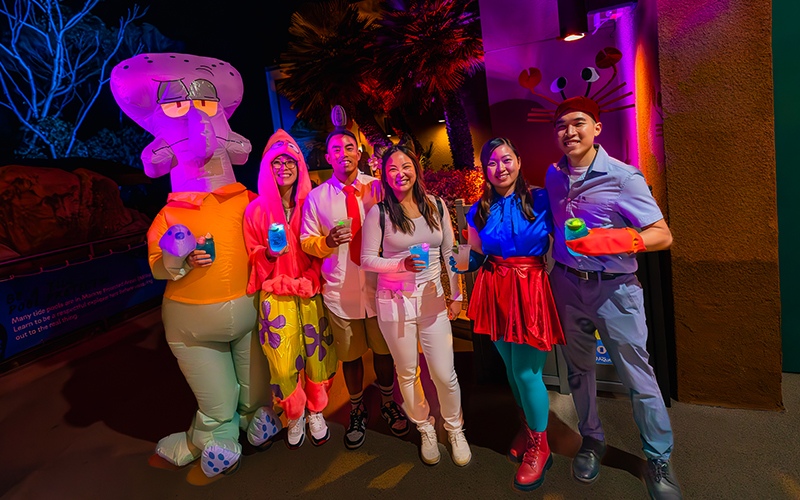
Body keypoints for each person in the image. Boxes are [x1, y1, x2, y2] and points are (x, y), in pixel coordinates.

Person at [544, 96, 681, 499]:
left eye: (579, 122)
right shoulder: (554, 176)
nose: (569, 131)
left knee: (639, 378)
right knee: (578, 371)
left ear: (597, 128)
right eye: (562, 125)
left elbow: (662, 234)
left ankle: (658, 457)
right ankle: (592, 439)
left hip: (615, 290)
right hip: (569, 286)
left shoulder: (624, 177)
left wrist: (610, 240)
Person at [452, 137, 565, 490]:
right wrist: (450, 257)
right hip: (495, 288)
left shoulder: (542, 199)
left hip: (529, 289)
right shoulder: (478, 209)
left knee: (526, 372)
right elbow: (473, 255)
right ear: (484, 170)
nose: (499, 168)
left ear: (518, 159)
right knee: (512, 372)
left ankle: (540, 446)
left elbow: (565, 237)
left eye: (506, 160)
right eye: (491, 163)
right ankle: (527, 426)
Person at [361, 145, 471, 467]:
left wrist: (457, 294)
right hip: (394, 303)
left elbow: (450, 252)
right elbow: (366, 259)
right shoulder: (378, 213)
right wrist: (400, 266)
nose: (400, 173)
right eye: (392, 168)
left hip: (433, 298)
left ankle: (454, 428)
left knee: (444, 373)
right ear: (385, 174)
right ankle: (424, 426)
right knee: (407, 372)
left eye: (405, 166)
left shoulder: (436, 205)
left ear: (416, 169)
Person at [300, 128, 409, 449]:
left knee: (383, 351)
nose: (344, 153)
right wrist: (326, 242)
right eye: (337, 149)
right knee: (349, 357)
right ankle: (357, 409)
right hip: (340, 291)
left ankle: (389, 402)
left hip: (380, 288)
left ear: (359, 153)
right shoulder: (317, 198)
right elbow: (307, 241)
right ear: (328, 156)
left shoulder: (378, 187)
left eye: (349, 147)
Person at [243, 129, 337, 449]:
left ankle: (315, 410)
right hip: (275, 294)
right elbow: (252, 254)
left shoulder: (311, 204)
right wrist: (270, 253)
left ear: (300, 166)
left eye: (290, 161)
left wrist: (313, 274)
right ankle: (294, 413)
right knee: (282, 363)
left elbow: (320, 248)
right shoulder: (255, 210)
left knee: (318, 356)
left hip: (310, 289)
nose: (284, 167)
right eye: (277, 162)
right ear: (267, 167)